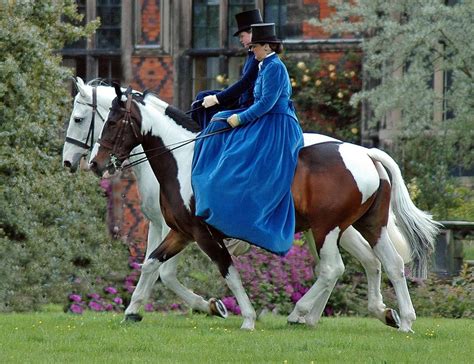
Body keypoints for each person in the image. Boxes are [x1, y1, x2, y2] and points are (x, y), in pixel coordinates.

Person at [192, 23, 304, 256]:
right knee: (218, 119)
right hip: (265, 119)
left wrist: (239, 119)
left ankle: (240, 219)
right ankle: (205, 176)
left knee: (238, 155)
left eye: (254, 46)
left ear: (266, 45)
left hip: (276, 125)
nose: (251, 50)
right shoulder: (265, 65)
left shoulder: (274, 67)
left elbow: (266, 104)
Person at [190, 9, 263, 129]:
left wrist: (216, 98)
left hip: (247, 103)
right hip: (241, 98)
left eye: (242, 36)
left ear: (252, 33)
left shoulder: (258, 55)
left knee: (208, 105)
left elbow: (245, 82)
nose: (240, 40)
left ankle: (206, 134)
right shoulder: (251, 53)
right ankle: (195, 132)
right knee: (201, 98)